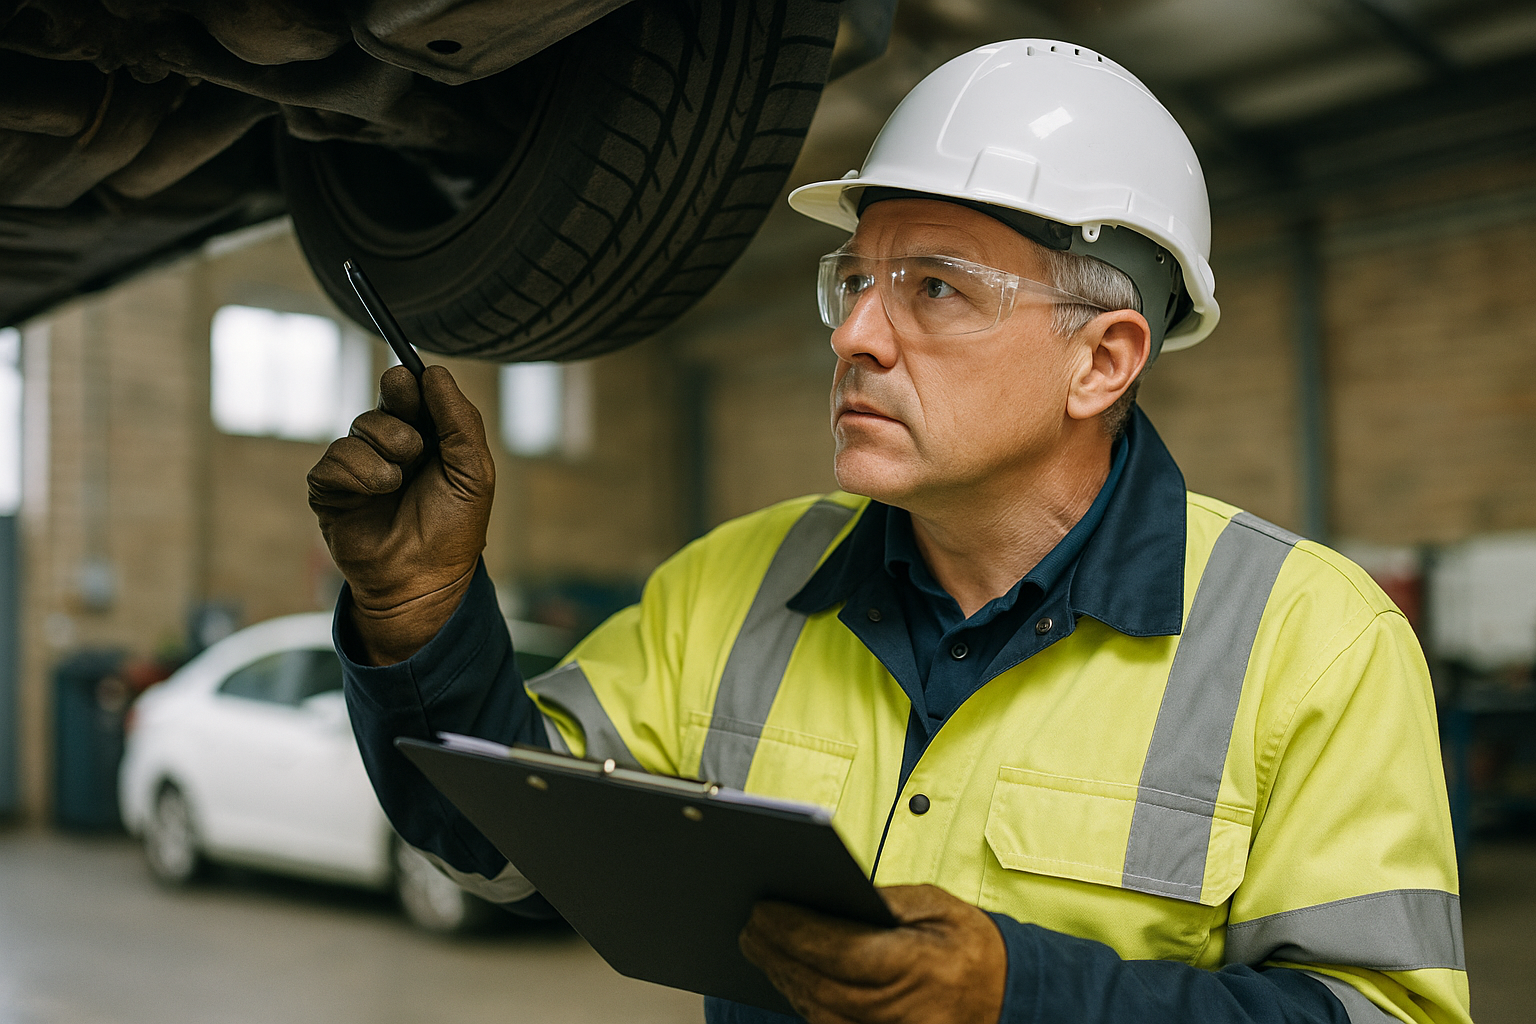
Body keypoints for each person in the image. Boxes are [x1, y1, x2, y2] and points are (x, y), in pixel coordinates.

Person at [309, 40, 1470, 1024]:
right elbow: (508, 847)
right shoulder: (734, 583)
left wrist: (1021, 992)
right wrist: (417, 622)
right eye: (855, 280)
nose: (855, 334)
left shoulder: (1313, 642)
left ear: (1102, 359)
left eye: (934, 288)